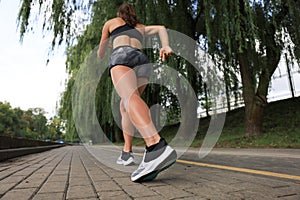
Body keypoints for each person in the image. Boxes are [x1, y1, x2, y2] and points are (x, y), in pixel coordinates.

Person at [97, 2, 177, 182]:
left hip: (122, 56)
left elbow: (101, 53)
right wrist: (165, 46)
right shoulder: (140, 27)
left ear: (119, 13)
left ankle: (155, 146)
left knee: (129, 97)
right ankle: (127, 153)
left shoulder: (111, 23)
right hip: (141, 60)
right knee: (125, 105)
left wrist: (108, 44)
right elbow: (161, 28)